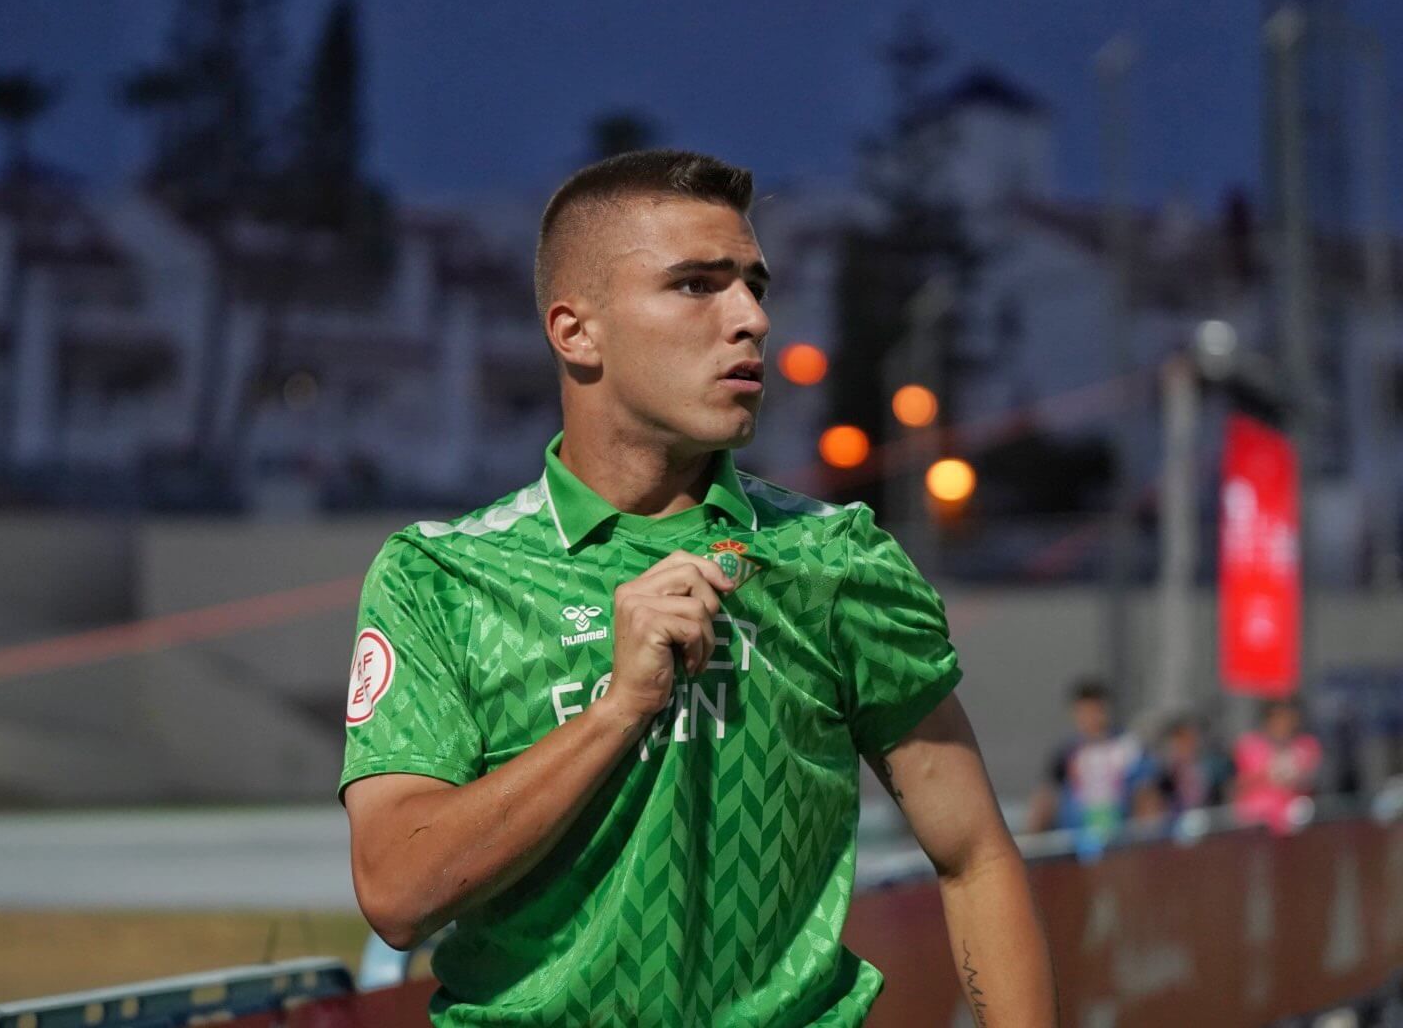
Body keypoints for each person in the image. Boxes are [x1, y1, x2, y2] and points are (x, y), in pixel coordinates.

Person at [339, 150, 1056, 1026]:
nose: (751, 319)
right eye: (695, 286)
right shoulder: (441, 578)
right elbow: (397, 892)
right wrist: (618, 710)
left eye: (754, 286)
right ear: (575, 332)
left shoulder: (837, 561)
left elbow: (976, 857)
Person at [1026, 680, 1151, 838]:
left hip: (1119, 835)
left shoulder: (1128, 747)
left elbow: (1145, 793)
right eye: (1084, 712)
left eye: (1095, 711)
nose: (1090, 718)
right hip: (1075, 837)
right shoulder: (1066, 753)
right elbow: (1046, 796)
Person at [1233, 696, 1322, 833]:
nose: (1283, 724)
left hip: (1298, 820)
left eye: (1287, 718)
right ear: (1267, 720)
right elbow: (1241, 783)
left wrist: (1297, 775)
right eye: (1278, 718)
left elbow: (1312, 782)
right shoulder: (1249, 745)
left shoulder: (1307, 745)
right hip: (1256, 822)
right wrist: (1270, 772)